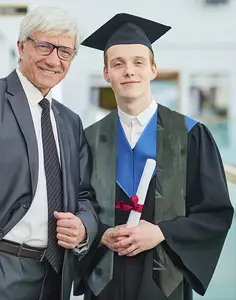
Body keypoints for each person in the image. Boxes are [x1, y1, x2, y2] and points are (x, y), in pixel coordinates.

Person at [0, 6, 98, 300]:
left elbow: (84, 194)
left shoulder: (70, 122)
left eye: (65, 52)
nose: (53, 59)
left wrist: (84, 227)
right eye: (45, 46)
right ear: (22, 46)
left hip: (53, 276)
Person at [74, 13, 234, 300]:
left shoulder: (191, 135)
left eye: (138, 62)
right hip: (105, 279)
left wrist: (161, 233)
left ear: (153, 69)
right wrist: (100, 234)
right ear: (107, 74)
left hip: (165, 278)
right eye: (118, 64)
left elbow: (214, 213)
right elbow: (76, 206)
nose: (129, 71)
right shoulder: (89, 139)